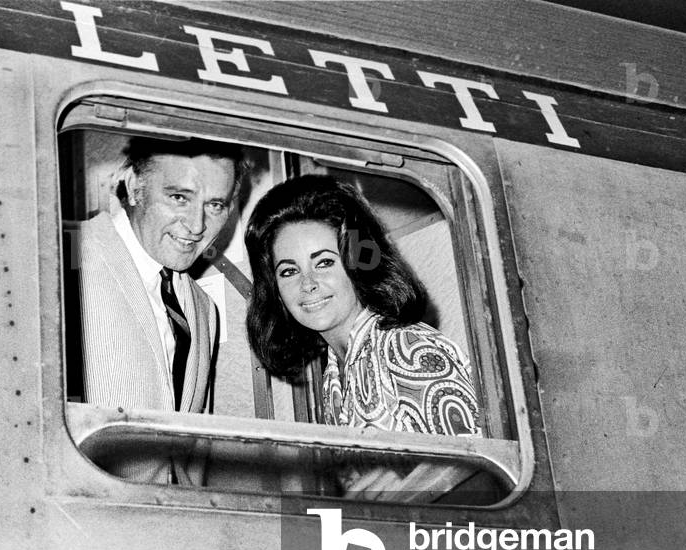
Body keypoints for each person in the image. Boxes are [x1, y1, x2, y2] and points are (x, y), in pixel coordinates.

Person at [244, 175, 495, 502]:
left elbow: (488, 475)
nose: (308, 284)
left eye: (324, 262)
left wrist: (412, 483)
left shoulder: (408, 347)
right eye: (289, 271)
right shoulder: (335, 376)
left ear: (357, 263)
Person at [77, 137, 243, 485]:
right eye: (179, 197)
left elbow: (196, 448)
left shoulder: (203, 309)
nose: (197, 226)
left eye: (215, 205)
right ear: (135, 186)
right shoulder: (70, 257)